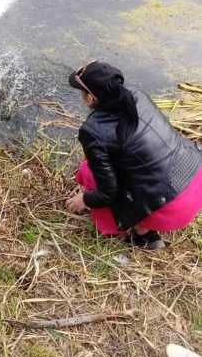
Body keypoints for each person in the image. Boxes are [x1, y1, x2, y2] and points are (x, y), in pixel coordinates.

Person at [65, 60, 202, 250]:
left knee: (88, 170)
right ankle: (146, 230)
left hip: (170, 207)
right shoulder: (136, 94)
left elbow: (107, 192)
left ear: (90, 99)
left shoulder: (92, 130)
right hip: (195, 182)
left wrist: (85, 199)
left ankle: (127, 230)